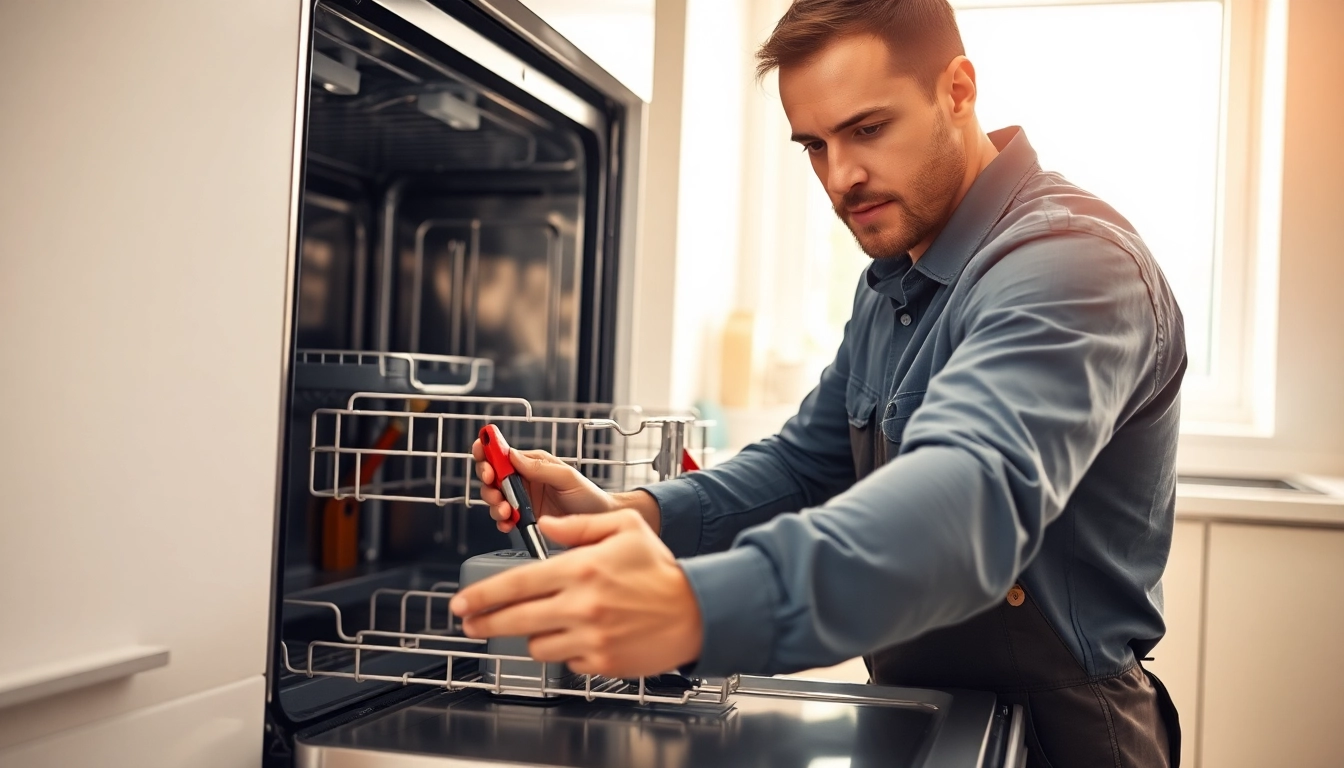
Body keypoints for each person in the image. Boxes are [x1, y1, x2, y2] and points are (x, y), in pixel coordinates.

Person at [448, 0, 1186, 764]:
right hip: (925, 716)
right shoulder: (892, 279)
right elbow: (806, 467)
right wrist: (633, 514)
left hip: (1063, 736)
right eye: (814, 145)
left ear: (958, 90)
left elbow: (965, 502)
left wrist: (693, 608)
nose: (841, 177)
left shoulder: (1071, 265)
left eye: (868, 129)